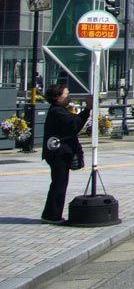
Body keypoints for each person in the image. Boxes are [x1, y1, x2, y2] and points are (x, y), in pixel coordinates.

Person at [41, 84, 90, 225]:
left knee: (59, 183)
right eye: (66, 95)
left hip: (60, 152)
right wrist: (87, 109)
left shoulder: (59, 110)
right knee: (59, 184)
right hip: (58, 153)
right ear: (58, 97)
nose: (69, 97)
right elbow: (75, 124)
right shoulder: (57, 112)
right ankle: (52, 215)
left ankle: (52, 213)